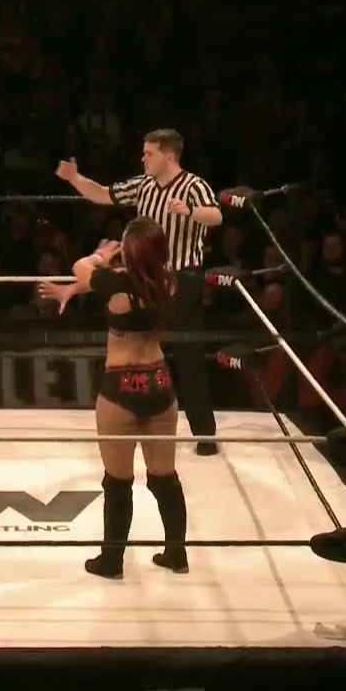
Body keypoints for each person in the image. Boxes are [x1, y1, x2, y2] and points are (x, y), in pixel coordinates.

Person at [57, 129, 224, 456]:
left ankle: (205, 434)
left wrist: (190, 211)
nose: (143, 158)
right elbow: (103, 194)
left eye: (149, 153)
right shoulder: (143, 185)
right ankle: (136, 418)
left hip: (181, 278)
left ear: (169, 156)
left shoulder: (193, 185)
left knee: (187, 355)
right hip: (144, 278)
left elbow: (216, 215)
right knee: (137, 347)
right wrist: (75, 178)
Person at [38, 218, 188, 579]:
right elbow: (107, 283)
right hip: (159, 382)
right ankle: (177, 554)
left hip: (122, 385)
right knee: (164, 477)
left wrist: (100, 255)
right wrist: (72, 290)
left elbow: (82, 268)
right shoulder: (168, 283)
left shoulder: (114, 281)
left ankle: (111, 560)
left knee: (118, 481)